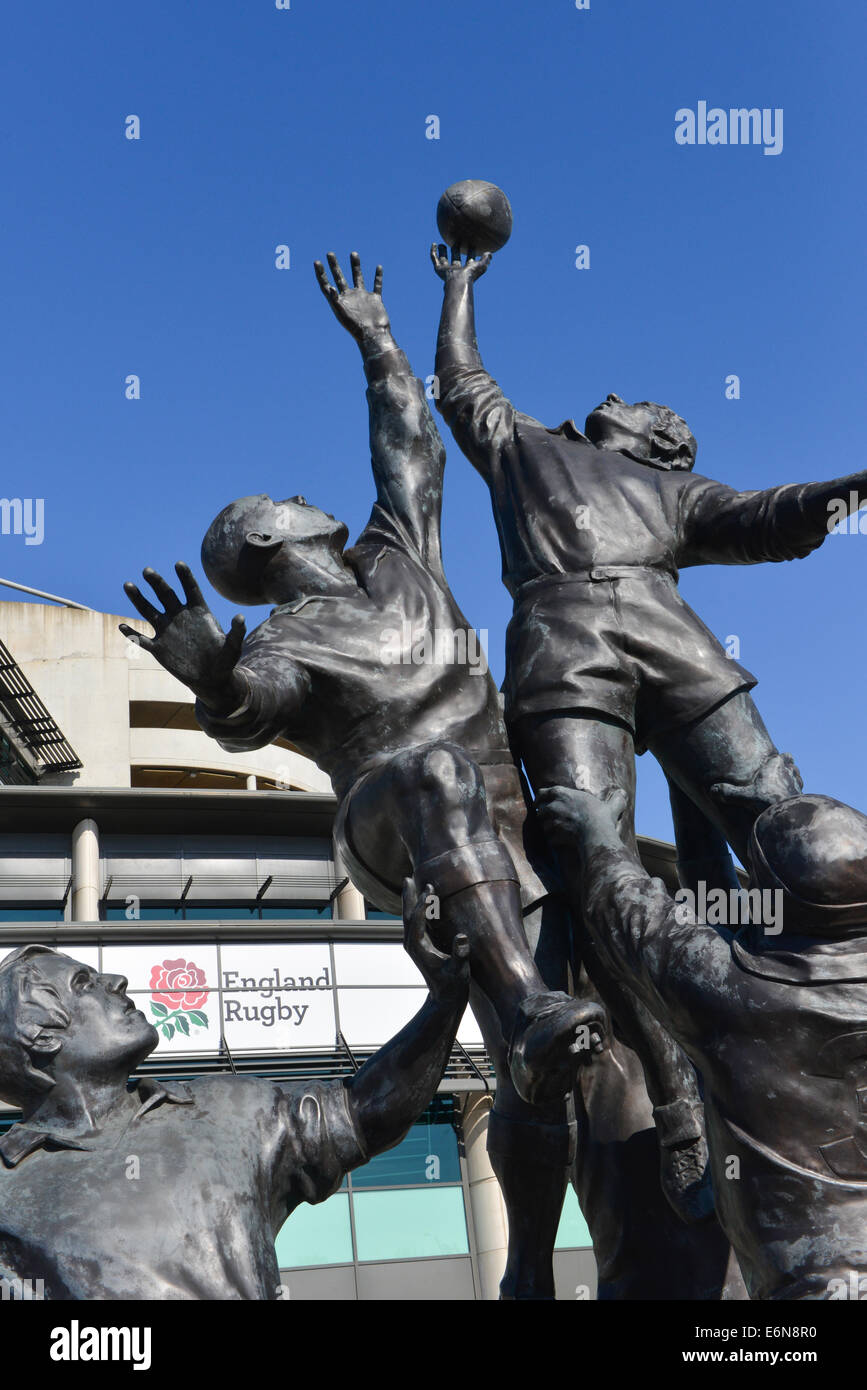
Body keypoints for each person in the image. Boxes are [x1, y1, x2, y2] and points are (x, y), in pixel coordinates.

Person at [430, 246, 867, 870]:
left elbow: (770, 516)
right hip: (562, 649)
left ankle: (827, 946)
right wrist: (459, 286)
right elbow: (462, 383)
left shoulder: (682, 492)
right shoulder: (523, 447)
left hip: (675, 642)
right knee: (585, 838)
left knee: (775, 815)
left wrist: (857, 487)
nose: (612, 393)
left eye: (638, 404)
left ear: (665, 444)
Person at [0, 884, 469, 1300]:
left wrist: (444, 1004)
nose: (115, 981)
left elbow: (364, 1111)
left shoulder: (229, 1108)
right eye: (84, 984)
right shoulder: (7, 1188)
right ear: (39, 1035)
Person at [539, 785, 867, 1300]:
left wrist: (597, 831)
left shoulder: (742, 996)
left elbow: (629, 915)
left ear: (780, 901)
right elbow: (722, 907)